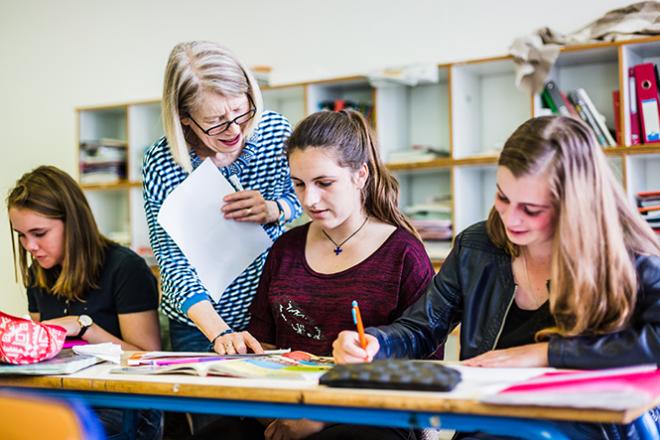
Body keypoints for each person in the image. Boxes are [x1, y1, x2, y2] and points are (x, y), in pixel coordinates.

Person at [333, 115, 660, 439]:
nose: (511, 219)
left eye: (531, 209)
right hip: (491, 424)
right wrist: (376, 342)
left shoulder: (629, 256)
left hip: (588, 429)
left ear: (574, 204)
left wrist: (545, 354)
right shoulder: (477, 246)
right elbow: (421, 328)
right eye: (503, 197)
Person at [193, 109, 435, 440]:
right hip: (286, 405)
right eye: (299, 184)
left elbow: (426, 369)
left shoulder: (403, 254)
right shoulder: (286, 248)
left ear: (360, 174)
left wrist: (317, 417)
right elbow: (264, 344)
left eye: (324, 183)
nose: (310, 199)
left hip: (370, 415)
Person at [142, 40, 302, 357]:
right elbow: (173, 262)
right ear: (184, 117)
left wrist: (275, 209)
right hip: (201, 324)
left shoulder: (274, 132)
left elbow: (303, 196)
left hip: (270, 312)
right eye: (215, 121)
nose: (233, 130)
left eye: (240, 111)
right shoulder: (163, 164)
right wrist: (220, 332)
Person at [7, 165, 162, 440]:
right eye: (21, 235)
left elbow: (148, 361)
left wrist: (84, 328)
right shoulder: (38, 273)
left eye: (39, 233)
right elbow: (41, 360)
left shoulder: (125, 268)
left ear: (74, 223)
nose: (29, 246)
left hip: (125, 402)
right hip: (67, 396)